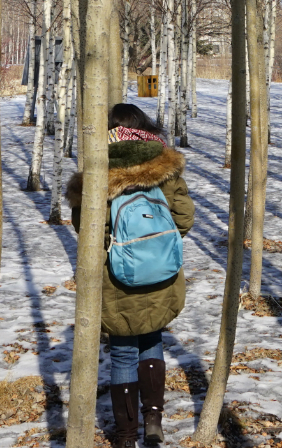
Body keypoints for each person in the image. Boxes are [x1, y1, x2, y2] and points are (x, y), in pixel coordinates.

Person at [66, 102, 193, 448]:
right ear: (145, 126)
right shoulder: (165, 165)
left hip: (116, 277)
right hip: (163, 273)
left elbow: (85, 229)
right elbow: (184, 218)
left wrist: (117, 245)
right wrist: (157, 245)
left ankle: (124, 438)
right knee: (152, 340)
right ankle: (153, 421)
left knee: (123, 352)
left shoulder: (97, 172)